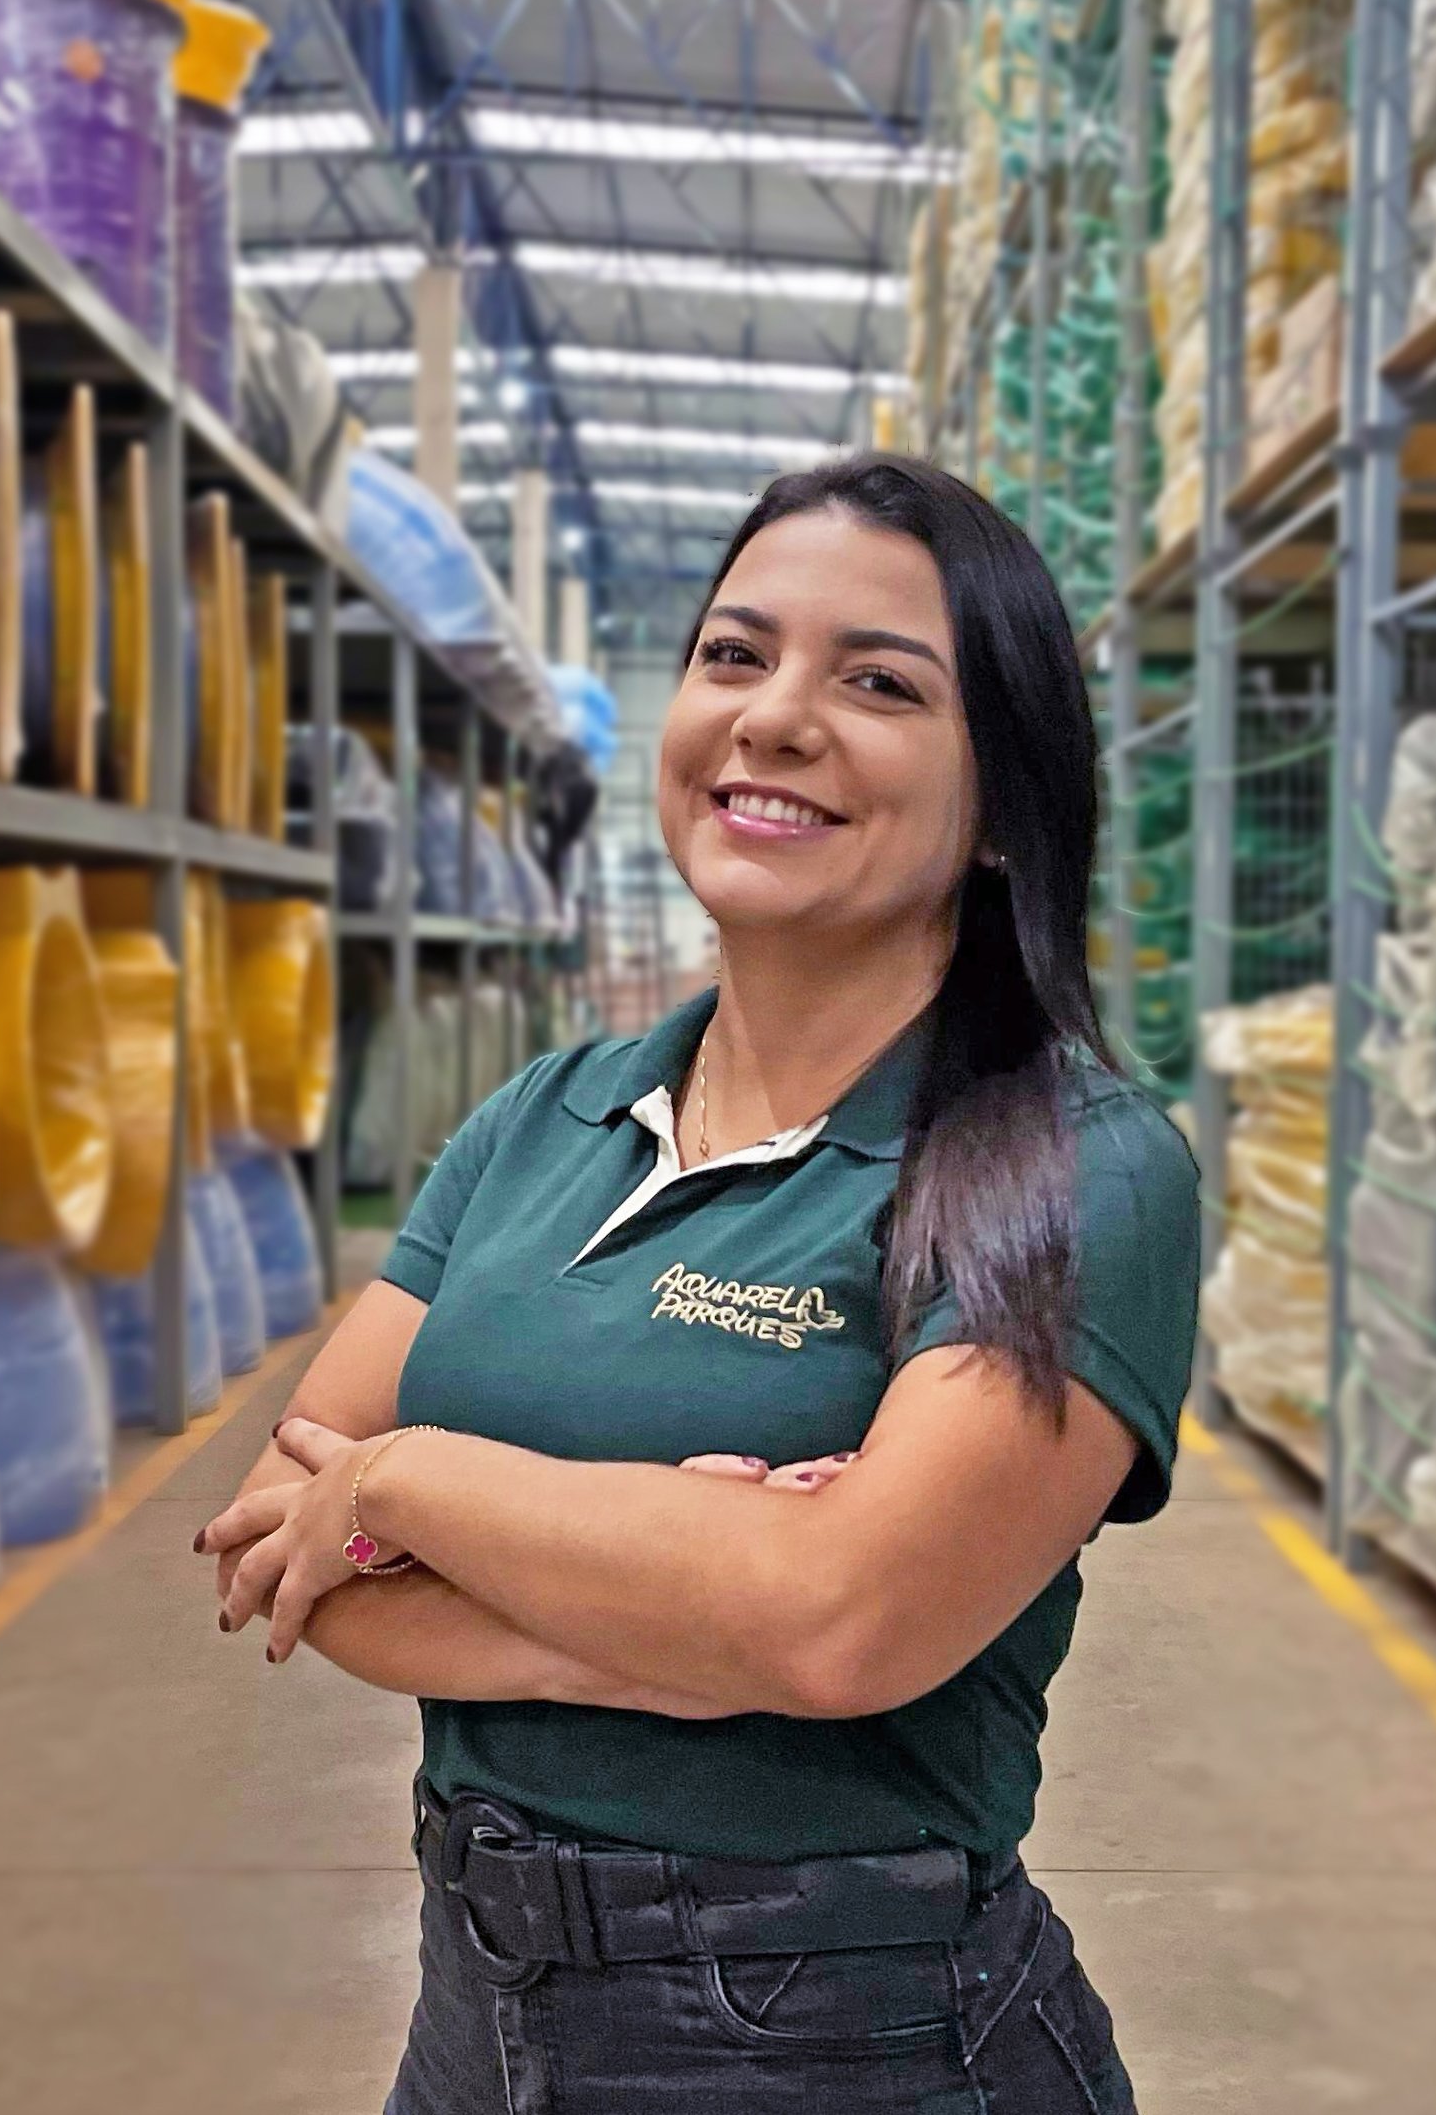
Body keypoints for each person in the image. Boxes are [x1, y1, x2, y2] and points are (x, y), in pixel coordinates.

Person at [197, 453, 1200, 2113]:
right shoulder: (545, 1118)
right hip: (474, 2011)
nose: (775, 716)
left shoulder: (1074, 1167)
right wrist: (670, 1623)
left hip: (855, 2033)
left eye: (879, 683)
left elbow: (837, 1617)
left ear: (1005, 804)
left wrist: (409, 1484)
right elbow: (274, 1548)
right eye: (735, 655)